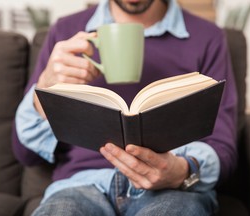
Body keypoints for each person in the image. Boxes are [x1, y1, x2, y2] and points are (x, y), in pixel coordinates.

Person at [13, 0, 238, 215]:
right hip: (80, 184)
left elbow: (223, 148)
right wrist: (43, 91)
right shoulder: (65, 31)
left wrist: (182, 171)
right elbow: (26, 156)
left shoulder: (208, 37)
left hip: (172, 189)